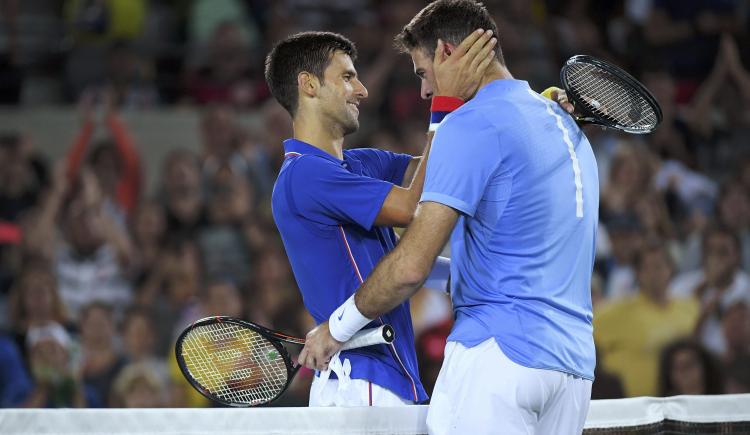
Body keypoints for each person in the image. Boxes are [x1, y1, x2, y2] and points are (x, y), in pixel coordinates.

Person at [299, 1, 598, 433]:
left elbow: (411, 265)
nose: (424, 91)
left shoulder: (469, 123)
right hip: (572, 372)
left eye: (423, 72)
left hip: (499, 358)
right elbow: (505, 258)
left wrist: (336, 328)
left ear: (448, 54)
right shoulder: (563, 121)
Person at [265, 29, 497, 406]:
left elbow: (449, 169)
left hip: (382, 380)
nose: (362, 90)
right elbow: (413, 206)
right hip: (360, 381)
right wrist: (445, 104)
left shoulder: (358, 164)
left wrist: (528, 113)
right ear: (308, 85)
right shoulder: (305, 175)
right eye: (346, 77)